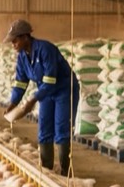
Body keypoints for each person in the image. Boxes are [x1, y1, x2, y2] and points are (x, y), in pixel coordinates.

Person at [5, 18, 78, 173]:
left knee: (61, 128)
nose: (13, 45)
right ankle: (47, 170)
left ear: (25, 37)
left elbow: (50, 80)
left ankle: (66, 171)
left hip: (63, 90)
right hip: (45, 91)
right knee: (44, 128)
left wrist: (32, 100)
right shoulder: (23, 57)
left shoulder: (46, 49)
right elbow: (20, 83)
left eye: (15, 40)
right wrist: (13, 103)